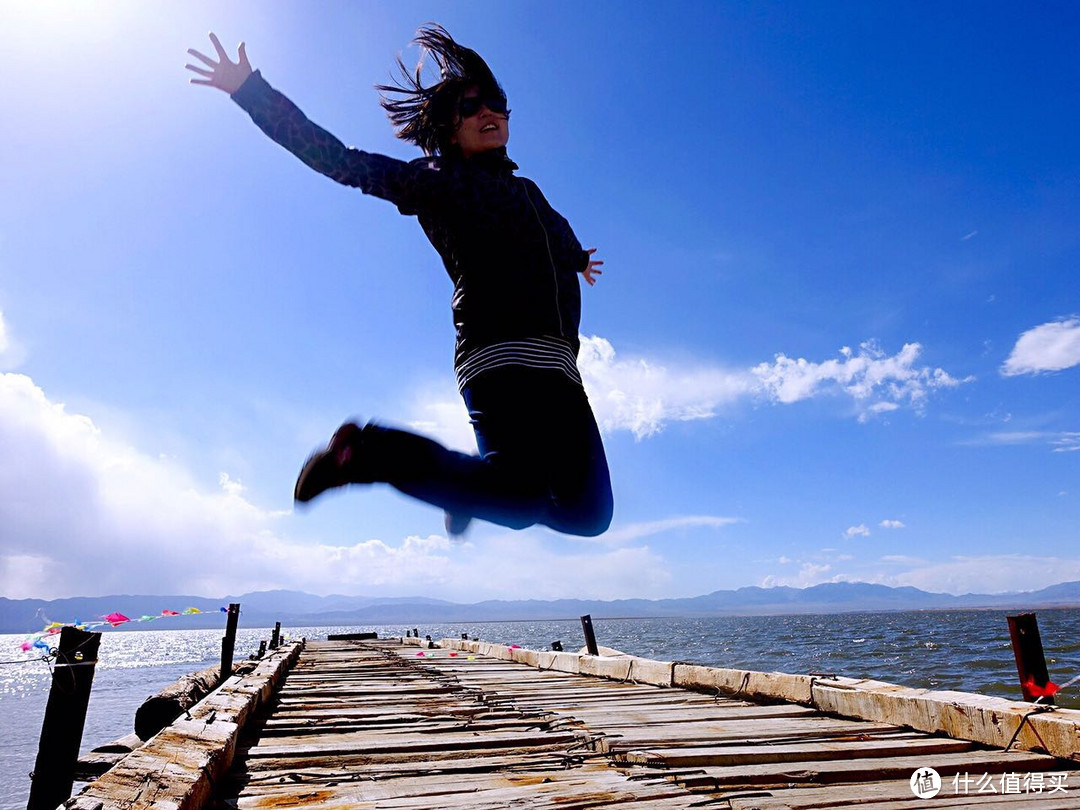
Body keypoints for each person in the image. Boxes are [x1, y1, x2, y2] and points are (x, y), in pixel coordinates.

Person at [187, 25, 612, 537]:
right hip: (500, 358)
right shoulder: (440, 182)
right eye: (471, 106)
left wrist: (576, 259)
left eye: (496, 103)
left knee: (590, 514)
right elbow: (343, 162)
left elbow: (555, 234)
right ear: (449, 130)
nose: (489, 112)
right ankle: (365, 455)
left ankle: (463, 486)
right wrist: (251, 92)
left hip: (561, 372)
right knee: (521, 503)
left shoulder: (528, 190)